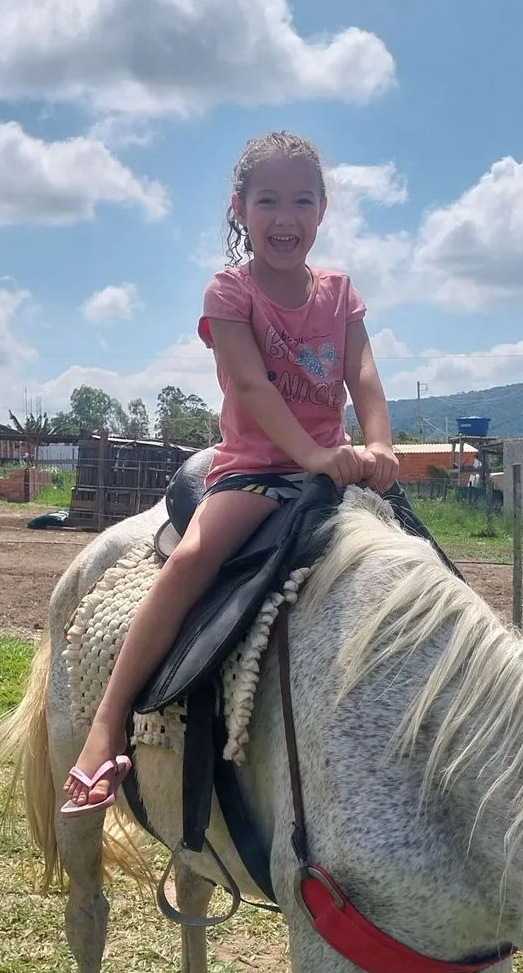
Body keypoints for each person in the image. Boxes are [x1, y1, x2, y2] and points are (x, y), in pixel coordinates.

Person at [62, 131, 400, 814]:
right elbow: (250, 386)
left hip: (333, 472)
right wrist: (311, 455)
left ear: (323, 208)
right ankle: (106, 722)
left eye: (301, 200)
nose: (285, 217)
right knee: (191, 559)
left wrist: (381, 444)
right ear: (240, 209)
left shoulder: (339, 294)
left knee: (418, 564)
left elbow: (363, 375)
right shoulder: (230, 292)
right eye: (268, 200)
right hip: (256, 472)